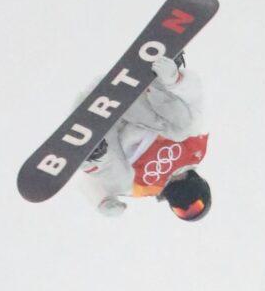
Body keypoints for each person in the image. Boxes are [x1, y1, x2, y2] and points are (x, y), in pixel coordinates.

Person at [80, 50, 211, 222]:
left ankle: (90, 150)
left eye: (182, 212)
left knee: (121, 183)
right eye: (195, 207)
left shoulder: (146, 189)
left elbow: (91, 183)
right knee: (185, 128)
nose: (186, 206)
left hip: (107, 128)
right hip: (136, 101)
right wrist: (175, 79)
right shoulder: (196, 151)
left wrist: (103, 202)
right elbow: (195, 100)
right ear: (203, 191)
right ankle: (157, 76)